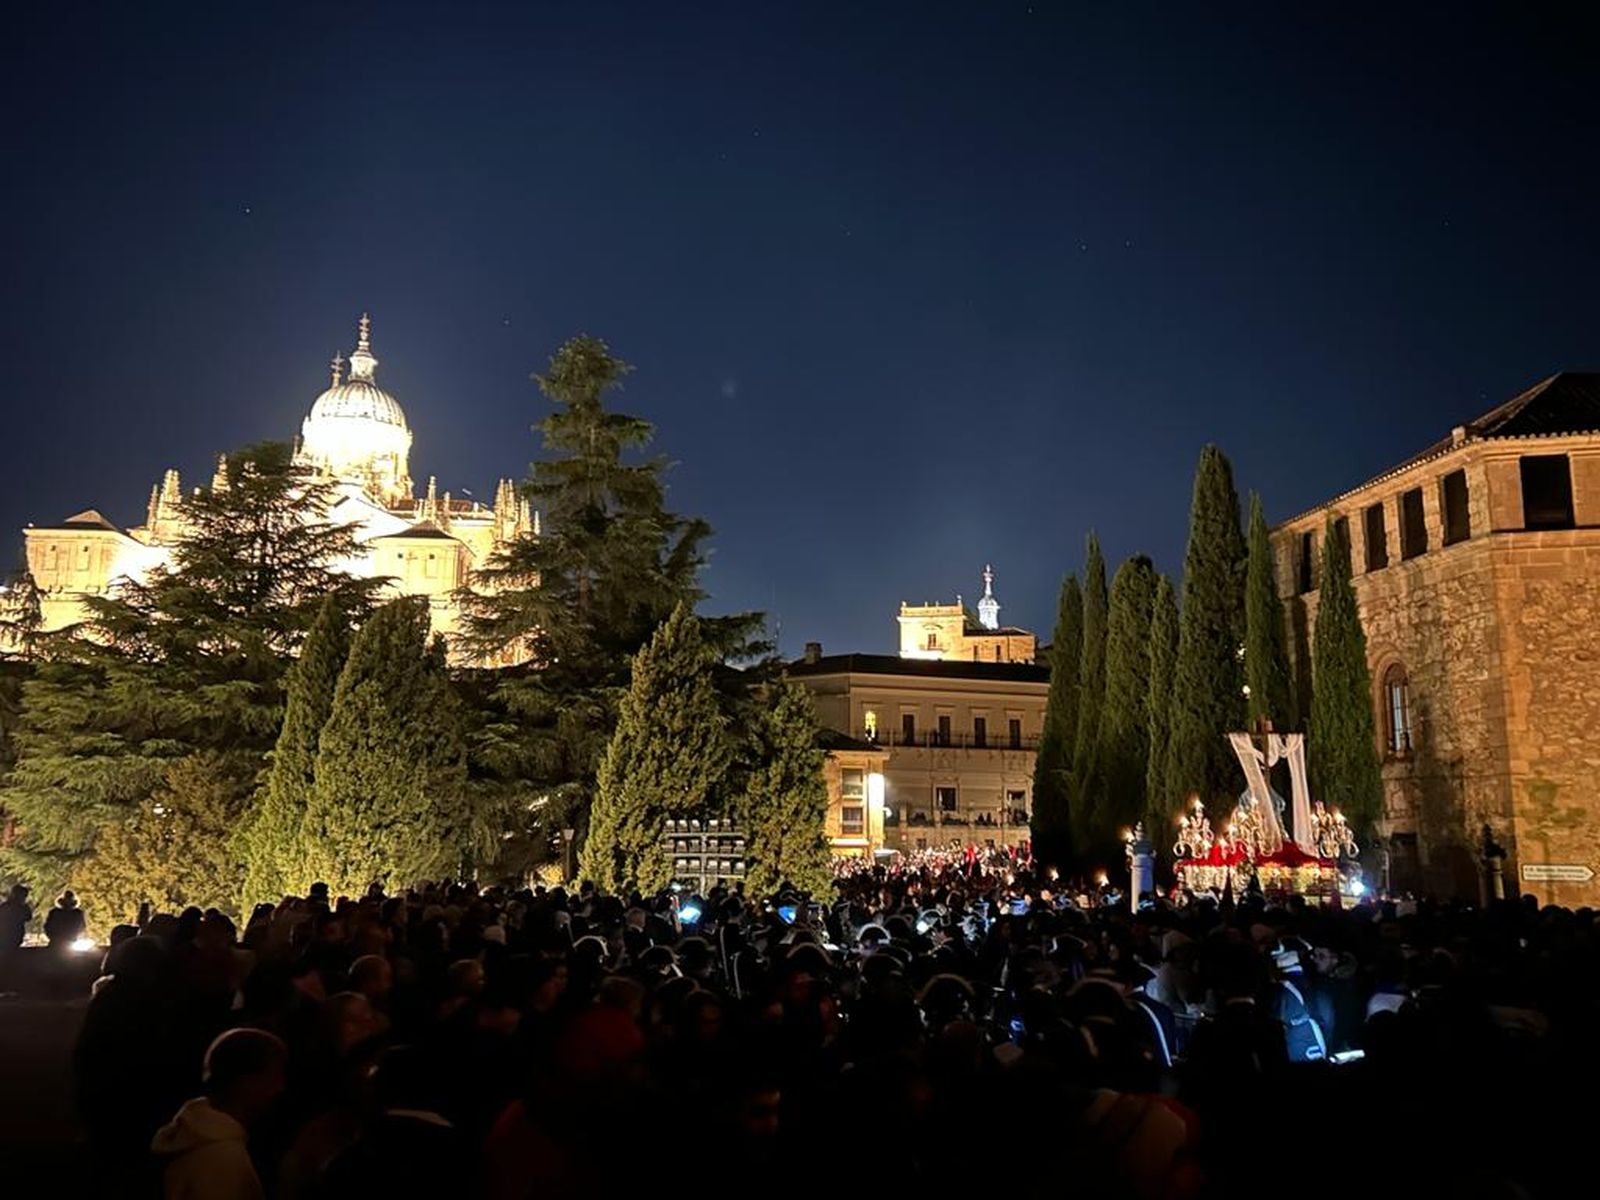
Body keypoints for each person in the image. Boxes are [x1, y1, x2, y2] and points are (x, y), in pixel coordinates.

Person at [151, 1027, 288, 1200]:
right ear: (245, 1083)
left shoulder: (196, 1140)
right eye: (273, 1076)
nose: (280, 1088)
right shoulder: (221, 1161)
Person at [0, 882, 31, 952]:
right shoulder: (8, 907)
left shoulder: (5, 906)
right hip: (9, 936)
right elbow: (28, 917)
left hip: (13, 936)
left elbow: (28, 917)